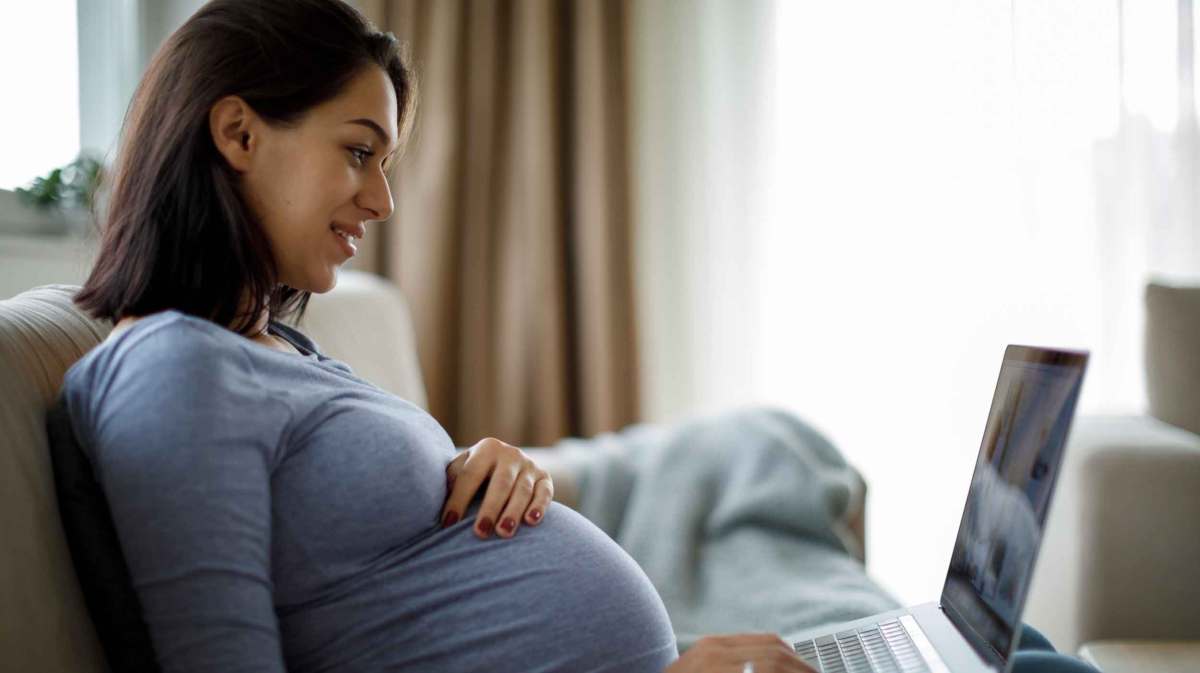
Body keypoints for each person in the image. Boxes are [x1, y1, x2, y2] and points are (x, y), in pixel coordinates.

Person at [58, 1, 1099, 672]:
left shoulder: (274, 352)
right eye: (359, 151)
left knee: (1019, 654)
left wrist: (475, 469)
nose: (381, 197)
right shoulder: (171, 373)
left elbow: (373, 581)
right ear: (238, 133)